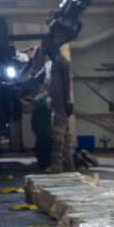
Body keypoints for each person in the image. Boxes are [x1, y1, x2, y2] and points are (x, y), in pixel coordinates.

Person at [44, 45, 75, 174]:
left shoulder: (58, 63)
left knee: (59, 136)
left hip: (59, 104)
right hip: (59, 103)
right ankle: (68, 164)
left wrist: (65, 101)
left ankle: (58, 164)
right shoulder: (55, 63)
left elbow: (61, 86)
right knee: (65, 136)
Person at [28, 92, 53, 171]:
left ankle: (44, 164)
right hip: (47, 128)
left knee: (43, 146)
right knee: (47, 145)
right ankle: (46, 163)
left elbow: (28, 109)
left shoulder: (40, 98)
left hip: (42, 129)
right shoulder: (48, 98)